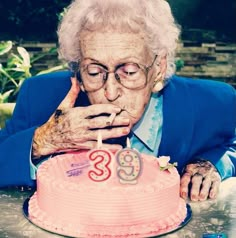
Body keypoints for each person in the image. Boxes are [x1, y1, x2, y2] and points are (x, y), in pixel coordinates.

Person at [0, 0, 235, 202]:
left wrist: (214, 164)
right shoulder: (40, 96)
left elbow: (231, 146)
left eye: (129, 71)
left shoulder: (214, 102)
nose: (110, 92)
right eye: (93, 72)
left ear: (159, 70)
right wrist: (41, 141)